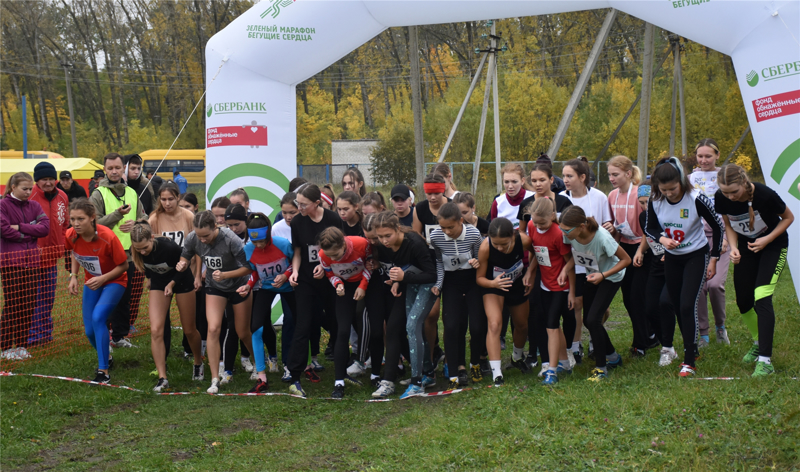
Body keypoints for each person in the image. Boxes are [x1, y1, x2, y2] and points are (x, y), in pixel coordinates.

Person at [645, 156, 723, 377]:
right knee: (667, 303)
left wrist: (714, 257)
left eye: (673, 189)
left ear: (681, 181)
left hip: (695, 256)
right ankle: (688, 347)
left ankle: (690, 360)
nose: (669, 193)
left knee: (687, 305)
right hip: (672, 257)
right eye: (664, 190)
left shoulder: (695, 198)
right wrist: (662, 240)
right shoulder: (655, 199)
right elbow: (649, 226)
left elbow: (717, 226)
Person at [716, 164, 793, 376]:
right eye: (725, 192)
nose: (730, 197)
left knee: (762, 296)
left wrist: (767, 239)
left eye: (734, 192)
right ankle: (758, 343)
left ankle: (766, 361)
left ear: (743, 183)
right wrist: (733, 248)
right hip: (746, 249)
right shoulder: (720, 198)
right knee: (743, 301)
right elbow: (729, 226)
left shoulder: (765, 195)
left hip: (773, 247)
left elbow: (788, 217)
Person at [177, 210, 253, 394]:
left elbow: (248, 268)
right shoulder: (193, 237)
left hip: (238, 286)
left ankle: (259, 362)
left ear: (215, 227)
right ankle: (214, 378)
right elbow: (185, 255)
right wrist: (182, 263)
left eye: (206, 235)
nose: (202, 239)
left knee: (242, 331)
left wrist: (226, 274)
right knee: (213, 328)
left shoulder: (230, 239)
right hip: (214, 286)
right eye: (199, 235)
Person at [370, 211, 437, 399]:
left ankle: (417, 384)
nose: (384, 241)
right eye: (380, 236)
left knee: (412, 325)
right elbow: (402, 268)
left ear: (397, 229)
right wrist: (398, 281)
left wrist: (402, 278)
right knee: (395, 328)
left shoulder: (414, 242)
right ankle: (427, 374)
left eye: (387, 236)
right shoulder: (385, 246)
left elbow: (432, 274)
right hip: (409, 284)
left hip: (428, 285)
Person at [130, 221, 203, 391]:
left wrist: (172, 283)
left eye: (145, 248)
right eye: (137, 248)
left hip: (182, 280)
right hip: (159, 283)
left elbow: (184, 267)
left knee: (189, 329)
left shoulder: (169, 248)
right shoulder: (137, 250)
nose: (141, 251)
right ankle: (163, 377)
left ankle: (198, 362)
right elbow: (147, 266)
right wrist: (150, 278)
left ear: (152, 238)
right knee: (156, 330)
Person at [286, 184, 343, 397]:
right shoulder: (298, 221)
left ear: (317, 203)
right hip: (307, 281)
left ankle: (341, 371)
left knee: (337, 322)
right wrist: (295, 272)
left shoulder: (333, 219)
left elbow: (339, 250)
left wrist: (325, 265)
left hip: (331, 279)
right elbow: (298, 251)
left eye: (303, 204)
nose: (298, 208)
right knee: (304, 324)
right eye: (296, 203)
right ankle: (294, 377)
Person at [559, 205, 629, 381]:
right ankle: (613, 357)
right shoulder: (570, 235)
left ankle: (601, 368)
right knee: (590, 321)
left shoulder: (602, 238)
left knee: (593, 319)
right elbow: (576, 256)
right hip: (593, 275)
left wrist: (603, 275)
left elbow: (625, 259)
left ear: (581, 227)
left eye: (567, 230)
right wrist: (565, 270)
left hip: (611, 276)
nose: (564, 233)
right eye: (562, 229)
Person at [66, 198, 127, 383]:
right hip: (91, 282)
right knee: (89, 331)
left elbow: (124, 265)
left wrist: (103, 278)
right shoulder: (70, 234)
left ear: (92, 218)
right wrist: (73, 276)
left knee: (98, 317)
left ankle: (103, 372)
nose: (76, 224)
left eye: (81, 219)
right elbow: (74, 253)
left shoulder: (107, 236)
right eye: (73, 219)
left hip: (115, 281)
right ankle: (106, 356)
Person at [90, 153, 146, 348]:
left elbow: (144, 219)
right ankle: (102, 334)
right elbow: (92, 224)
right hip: (105, 256)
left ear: (123, 169)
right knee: (106, 298)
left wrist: (136, 224)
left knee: (125, 297)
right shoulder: (98, 194)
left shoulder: (132, 193)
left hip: (128, 255)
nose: (114, 171)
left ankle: (120, 335)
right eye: (110, 168)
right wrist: (115, 216)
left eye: (117, 168)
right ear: (105, 170)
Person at [237, 213, 297, 393]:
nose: (259, 245)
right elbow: (256, 272)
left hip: (289, 288)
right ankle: (261, 376)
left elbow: (296, 263)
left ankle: (298, 365)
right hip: (266, 288)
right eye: (255, 242)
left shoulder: (283, 244)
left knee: (298, 323)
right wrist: (248, 286)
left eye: (262, 241)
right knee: (256, 328)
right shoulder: (249, 249)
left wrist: (286, 275)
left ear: (269, 233)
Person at [560, 158, 612, 363]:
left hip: (598, 262)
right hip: (574, 260)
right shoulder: (562, 199)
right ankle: (576, 344)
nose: (565, 180)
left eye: (569, 176)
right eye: (563, 176)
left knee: (601, 308)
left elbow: (607, 223)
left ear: (583, 177)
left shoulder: (599, 197)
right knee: (578, 304)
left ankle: (594, 337)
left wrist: (610, 227)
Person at [429, 203, 485, 388]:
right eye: (442, 227)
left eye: (450, 227)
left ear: (461, 221)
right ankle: (455, 370)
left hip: (471, 281)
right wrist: (438, 284)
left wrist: (476, 263)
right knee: (452, 326)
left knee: (476, 326)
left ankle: (475, 363)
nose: (446, 231)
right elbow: (439, 261)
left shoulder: (473, 234)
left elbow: (480, 259)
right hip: (451, 282)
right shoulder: (436, 237)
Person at [605, 155, 655, 357]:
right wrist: (611, 229)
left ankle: (641, 342)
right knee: (628, 298)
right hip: (623, 248)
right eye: (609, 174)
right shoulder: (611, 196)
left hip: (642, 248)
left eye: (615, 174)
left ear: (628, 173)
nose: (611, 178)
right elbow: (616, 226)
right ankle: (648, 335)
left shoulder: (638, 194)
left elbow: (647, 226)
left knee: (637, 296)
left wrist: (641, 251)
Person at [524, 197, 576, 385]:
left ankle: (551, 371)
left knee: (551, 326)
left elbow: (572, 259)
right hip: (545, 284)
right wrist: (530, 271)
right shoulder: (531, 225)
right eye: (535, 222)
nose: (539, 226)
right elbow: (538, 252)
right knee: (552, 326)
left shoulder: (557, 233)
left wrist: (570, 290)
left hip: (561, 287)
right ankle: (564, 363)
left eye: (543, 223)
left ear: (553, 216)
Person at [476, 217, 532, 387]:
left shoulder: (523, 239)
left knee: (521, 324)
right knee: (494, 324)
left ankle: (517, 357)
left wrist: (531, 272)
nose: (499, 248)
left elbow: (536, 252)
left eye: (504, 244)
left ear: (513, 237)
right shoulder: (485, 247)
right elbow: (479, 278)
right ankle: (497, 373)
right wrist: (493, 283)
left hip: (516, 284)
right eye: (496, 244)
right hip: (493, 286)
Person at [318, 227, 372, 398]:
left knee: (368, 324)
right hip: (344, 288)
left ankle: (375, 369)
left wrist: (363, 286)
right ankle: (339, 381)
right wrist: (337, 284)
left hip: (366, 283)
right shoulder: (323, 254)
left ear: (343, 244)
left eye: (337, 254)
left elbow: (371, 266)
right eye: (330, 256)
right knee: (342, 331)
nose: (333, 258)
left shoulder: (361, 244)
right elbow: (329, 274)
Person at [1, 173, 50, 360]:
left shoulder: (34, 205)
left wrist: (20, 227)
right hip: (12, 263)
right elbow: (4, 229)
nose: (28, 192)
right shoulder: (3, 205)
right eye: (24, 189)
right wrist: (29, 233)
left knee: (28, 304)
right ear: (13, 187)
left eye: (30, 189)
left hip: (32, 263)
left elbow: (45, 228)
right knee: (13, 304)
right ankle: (5, 347)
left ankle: (21, 344)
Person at [149, 182, 198, 357]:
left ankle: (194, 355)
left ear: (178, 197)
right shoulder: (154, 219)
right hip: (162, 275)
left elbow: (197, 247)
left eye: (171, 199)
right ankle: (163, 357)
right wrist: (150, 279)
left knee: (189, 324)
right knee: (160, 323)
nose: (167, 203)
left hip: (186, 274)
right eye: (163, 199)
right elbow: (149, 249)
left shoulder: (188, 216)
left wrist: (198, 275)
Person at [689, 139, 731, 346]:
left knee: (715, 285)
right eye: (700, 156)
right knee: (700, 287)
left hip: (721, 236)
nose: (704, 160)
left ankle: (720, 327)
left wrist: (724, 238)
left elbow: (732, 208)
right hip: (697, 238)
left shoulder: (725, 175)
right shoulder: (690, 179)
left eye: (708, 156)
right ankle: (703, 332)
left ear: (717, 155)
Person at [27, 162, 70, 346]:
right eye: (44, 179)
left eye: (51, 179)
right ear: (37, 180)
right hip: (32, 257)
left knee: (49, 296)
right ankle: (33, 336)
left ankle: (46, 332)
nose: (48, 182)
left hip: (52, 256)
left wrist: (61, 243)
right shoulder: (30, 196)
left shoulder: (62, 196)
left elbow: (65, 223)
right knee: (34, 298)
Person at [632, 184, 674, 365]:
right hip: (656, 264)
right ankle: (665, 344)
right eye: (640, 203)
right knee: (650, 307)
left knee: (668, 304)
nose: (644, 206)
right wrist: (640, 251)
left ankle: (679, 345)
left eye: (647, 202)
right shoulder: (643, 217)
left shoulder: (667, 213)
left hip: (675, 262)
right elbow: (648, 235)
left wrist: (669, 252)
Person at [518, 163, 572, 235]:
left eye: (542, 180)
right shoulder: (525, 203)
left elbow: (572, 228)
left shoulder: (563, 201)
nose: (538, 184)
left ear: (551, 179)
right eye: (534, 181)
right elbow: (522, 232)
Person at [489, 163, 534, 230]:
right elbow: (494, 230)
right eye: (506, 182)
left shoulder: (534, 198)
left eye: (514, 182)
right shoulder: (498, 202)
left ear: (522, 181)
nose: (510, 186)